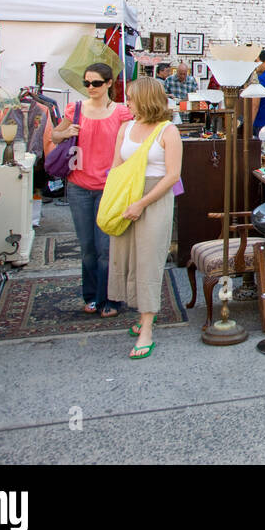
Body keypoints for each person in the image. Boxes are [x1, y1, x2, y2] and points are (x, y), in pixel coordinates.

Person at [48, 62, 133, 317]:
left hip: (109, 186)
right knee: (87, 247)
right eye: (87, 83)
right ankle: (91, 295)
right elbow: (53, 136)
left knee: (106, 248)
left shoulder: (121, 112)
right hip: (79, 185)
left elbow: (131, 143)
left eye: (96, 83)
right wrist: (66, 134)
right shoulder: (75, 109)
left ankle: (111, 297)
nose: (90, 88)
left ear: (109, 84)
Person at [108, 78, 182, 360]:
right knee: (127, 256)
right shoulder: (126, 128)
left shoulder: (168, 131)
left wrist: (142, 203)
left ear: (145, 99)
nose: (126, 102)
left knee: (150, 259)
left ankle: (147, 326)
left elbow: (172, 175)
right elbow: (117, 166)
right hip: (127, 198)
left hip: (155, 198)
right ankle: (141, 311)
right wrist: (113, 199)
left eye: (130, 98)